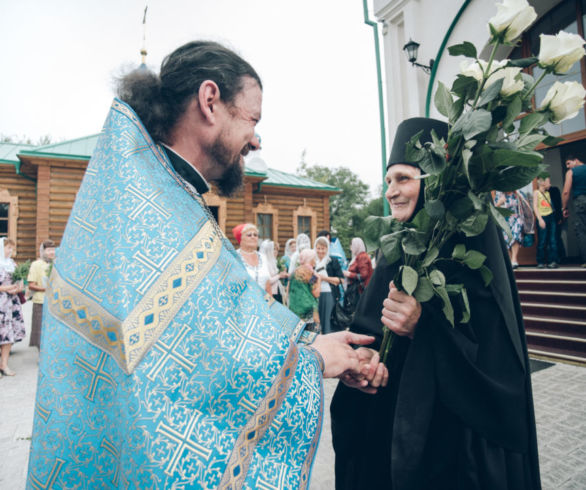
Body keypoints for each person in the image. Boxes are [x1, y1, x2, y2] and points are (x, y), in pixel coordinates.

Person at [27, 41, 379, 489]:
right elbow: (184, 365)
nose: (256, 139)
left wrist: (310, 341)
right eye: (252, 119)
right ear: (210, 101)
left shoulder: (158, 192)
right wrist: (307, 361)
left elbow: (212, 326)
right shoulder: (147, 207)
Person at [331, 117, 541, 489]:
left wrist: (423, 326)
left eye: (403, 179)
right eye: (388, 181)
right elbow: (369, 330)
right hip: (388, 428)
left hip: (451, 448)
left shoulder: (470, 249)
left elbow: (498, 363)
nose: (391, 191)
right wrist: (363, 362)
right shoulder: (398, 244)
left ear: (436, 184)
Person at [0, 238, 25, 377]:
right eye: (8, 248)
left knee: (8, 335)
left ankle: (4, 364)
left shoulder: (12, 264)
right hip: (0, 302)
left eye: (11, 248)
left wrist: (18, 288)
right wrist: (7, 288)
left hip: (10, 304)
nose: (10, 251)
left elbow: (20, 281)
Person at [27, 239, 56, 349]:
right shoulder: (36, 264)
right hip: (41, 301)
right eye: (49, 250)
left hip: (55, 302)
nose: (51, 252)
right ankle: (41, 355)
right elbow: (31, 285)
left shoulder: (57, 264)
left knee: (53, 330)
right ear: (43, 251)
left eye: (53, 250)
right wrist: (45, 288)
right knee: (40, 330)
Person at [314, 236, 344, 334]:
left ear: (327, 248)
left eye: (323, 248)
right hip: (315, 295)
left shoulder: (332, 261)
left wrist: (323, 278)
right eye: (318, 248)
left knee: (327, 322)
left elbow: (340, 280)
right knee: (317, 322)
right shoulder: (313, 262)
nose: (320, 251)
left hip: (329, 294)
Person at [288, 248, 321, 332]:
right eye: (314, 258)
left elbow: (288, 289)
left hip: (294, 311)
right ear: (311, 259)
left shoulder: (294, 272)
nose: (315, 261)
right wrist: (319, 280)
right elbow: (316, 293)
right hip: (308, 313)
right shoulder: (311, 274)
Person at [562, 155, 586, 267]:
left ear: (576, 160)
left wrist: (564, 207)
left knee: (581, 230)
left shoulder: (572, 172)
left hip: (581, 201)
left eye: (568, 163)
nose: (568, 167)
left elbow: (566, 191)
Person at [533, 175, 559, 268]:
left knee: (553, 240)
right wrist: (540, 219)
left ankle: (553, 261)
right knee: (542, 240)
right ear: (542, 182)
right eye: (549, 182)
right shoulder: (536, 193)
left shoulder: (548, 193)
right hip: (542, 217)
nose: (550, 184)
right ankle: (540, 261)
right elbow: (535, 206)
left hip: (551, 217)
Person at [494, 191, 523, 268]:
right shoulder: (499, 195)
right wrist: (499, 203)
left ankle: (514, 259)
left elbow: (525, 207)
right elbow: (493, 210)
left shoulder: (518, 193)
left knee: (515, 236)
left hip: (516, 219)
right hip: (504, 221)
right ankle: (511, 262)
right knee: (506, 241)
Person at [259, 239, 287, 303]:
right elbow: (268, 280)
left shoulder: (274, 261)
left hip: (276, 290)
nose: (276, 251)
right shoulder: (265, 263)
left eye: (277, 249)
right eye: (274, 249)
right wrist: (279, 275)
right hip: (270, 293)